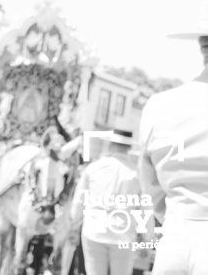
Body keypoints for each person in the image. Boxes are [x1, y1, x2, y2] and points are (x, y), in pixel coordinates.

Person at [139, 20, 208, 275]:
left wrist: (175, 214)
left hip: (174, 238)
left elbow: (149, 183)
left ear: (202, 48)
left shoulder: (159, 104)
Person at [70, 129, 139, 275]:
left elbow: (79, 200)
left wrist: (74, 225)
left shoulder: (93, 168)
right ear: (129, 148)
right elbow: (145, 208)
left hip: (94, 230)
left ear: (111, 145)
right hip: (123, 233)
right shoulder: (135, 174)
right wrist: (147, 237)